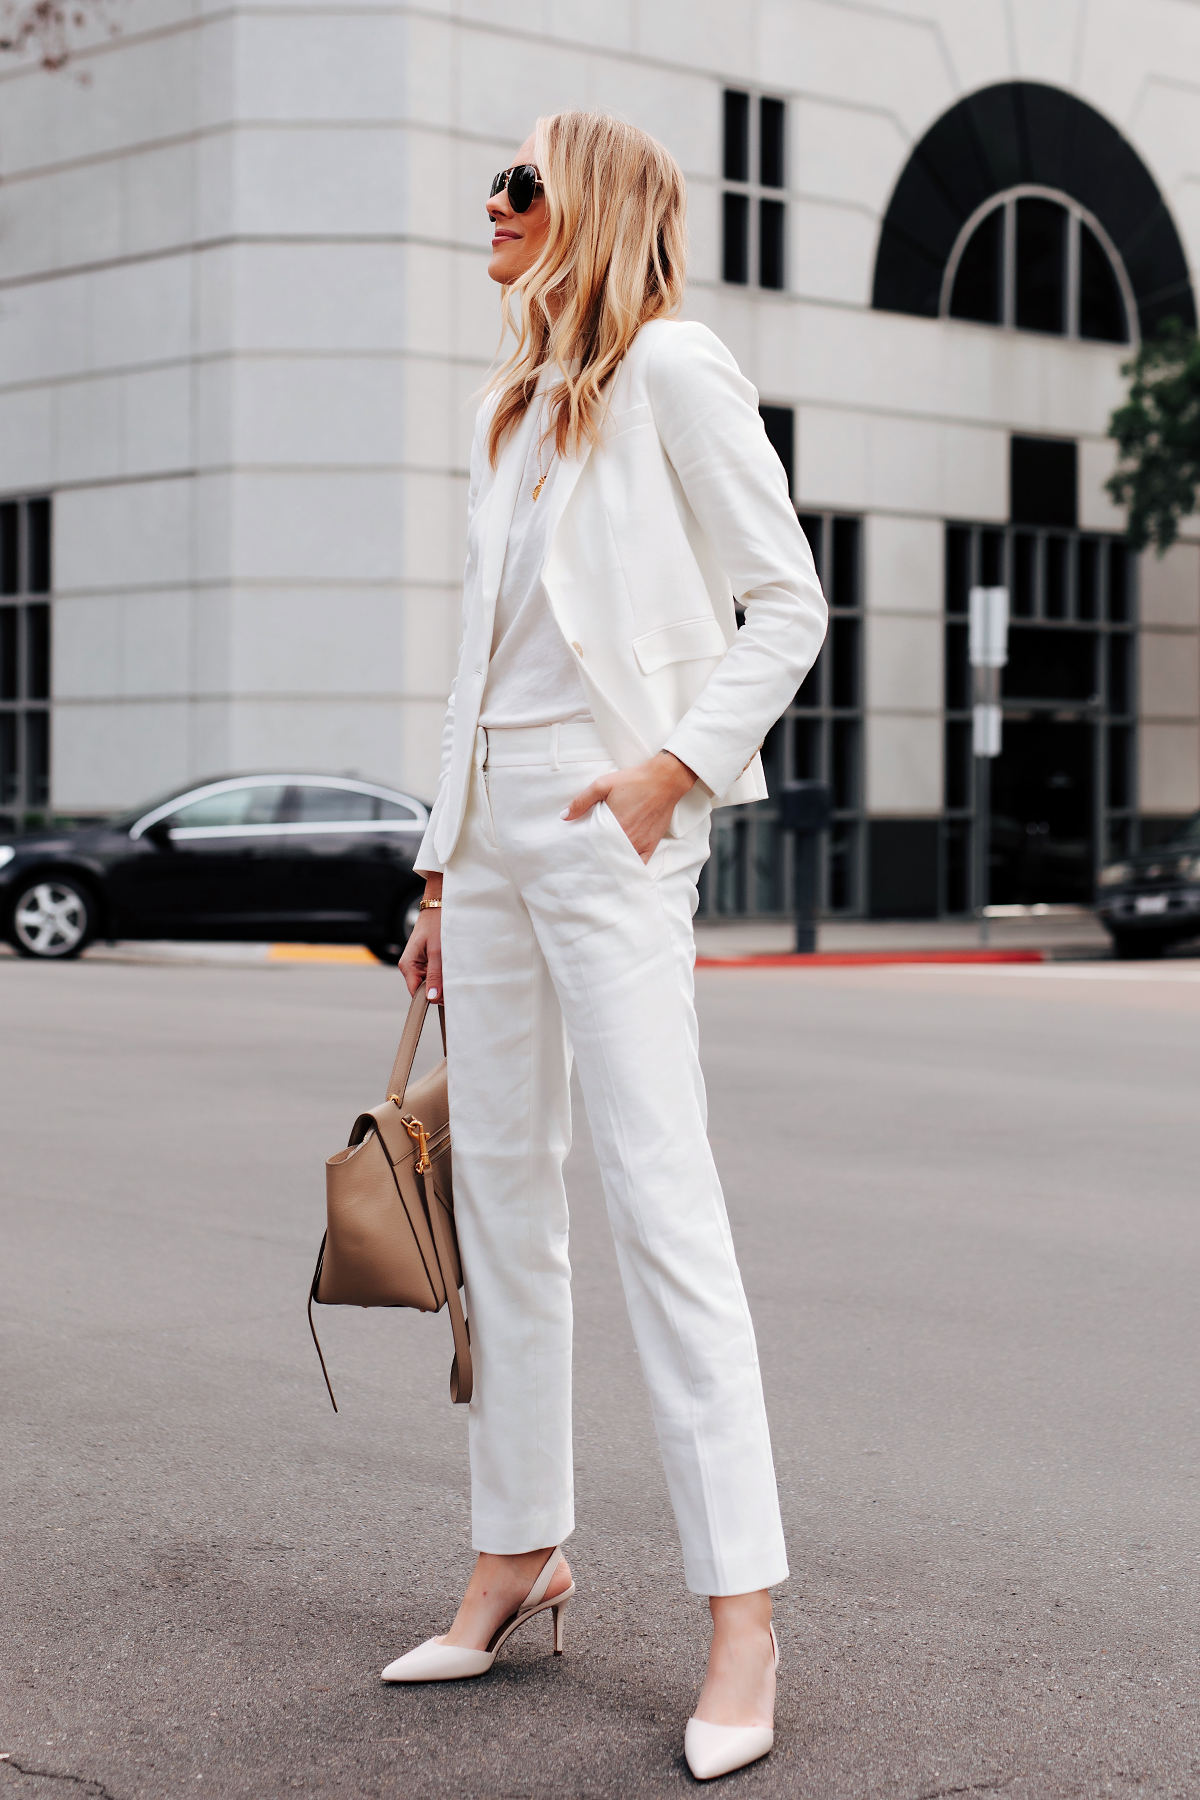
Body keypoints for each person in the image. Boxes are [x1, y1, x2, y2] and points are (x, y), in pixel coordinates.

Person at [388, 110, 826, 1782]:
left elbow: (786, 601)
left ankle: (743, 1608)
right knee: (502, 1202)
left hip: (609, 834)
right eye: (493, 186)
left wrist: (670, 772)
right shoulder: (508, 410)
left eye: (524, 187)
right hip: (493, 851)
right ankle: (520, 1549)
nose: (494, 208)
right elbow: (468, 668)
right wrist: (437, 874)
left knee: (659, 1202)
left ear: (599, 212)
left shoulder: (676, 371)